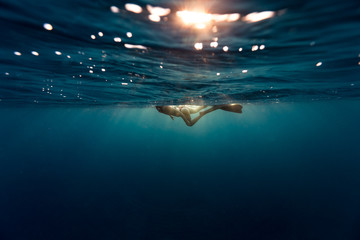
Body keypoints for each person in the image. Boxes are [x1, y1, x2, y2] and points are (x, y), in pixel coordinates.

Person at [156, 104, 242, 126]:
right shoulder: (160, 109)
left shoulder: (161, 109)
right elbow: (167, 111)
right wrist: (170, 115)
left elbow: (172, 110)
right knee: (198, 109)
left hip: (182, 112)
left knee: (189, 124)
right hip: (184, 109)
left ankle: (203, 114)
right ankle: (215, 106)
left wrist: (184, 116)